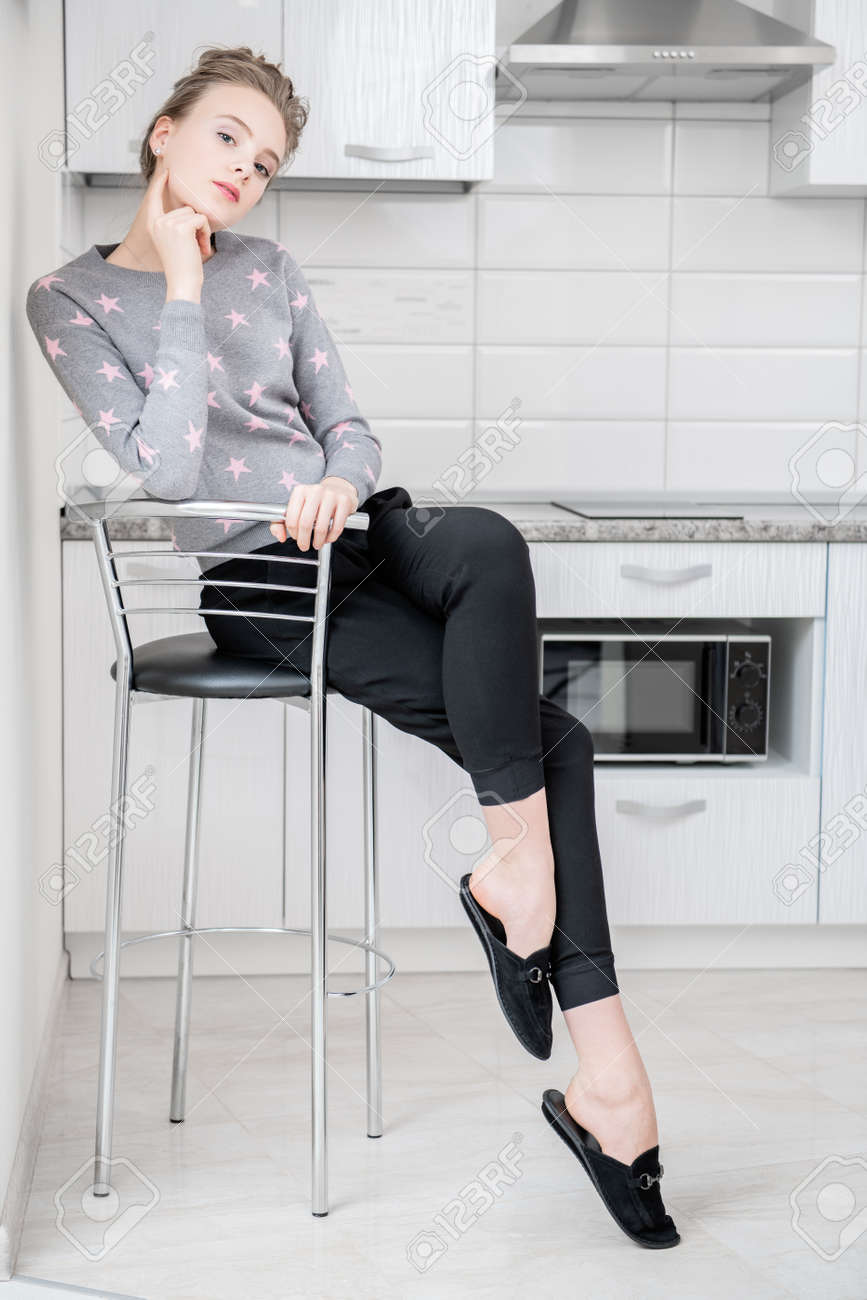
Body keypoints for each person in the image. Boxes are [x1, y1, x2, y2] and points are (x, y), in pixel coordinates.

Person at [25, 45, 677, 1247]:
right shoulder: (67, 300)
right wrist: (175, 279)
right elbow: (165, 465)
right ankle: (611, 1081)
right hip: (263, 579)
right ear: (165, 132)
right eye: (227, 138)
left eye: (264, 159)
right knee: (561, 738)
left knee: (483, 538)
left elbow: (348, 424)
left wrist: (337, 481)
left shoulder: (271, 271)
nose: (246, 171)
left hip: (365, 537)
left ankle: (510, 878)